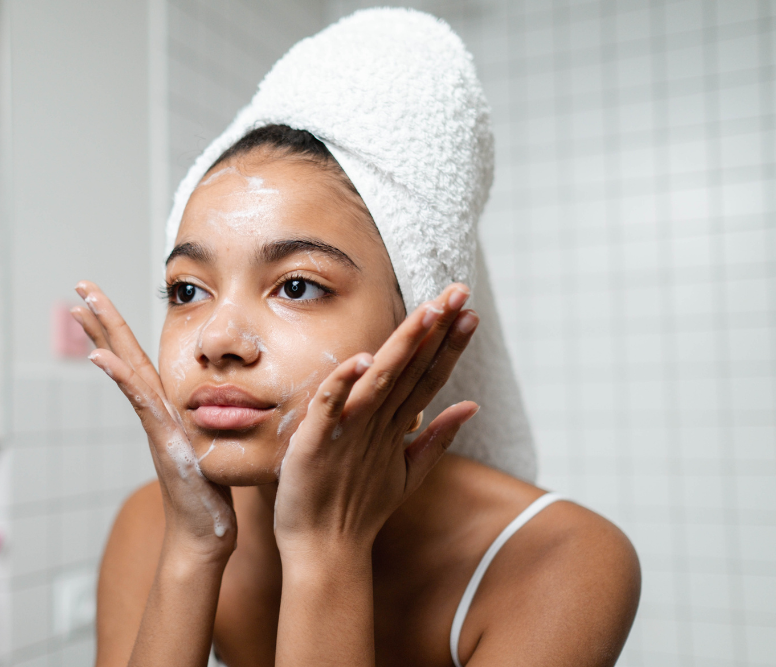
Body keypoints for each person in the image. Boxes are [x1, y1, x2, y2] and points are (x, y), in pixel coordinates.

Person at [72, 10, 640, 667]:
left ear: (419, 330)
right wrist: (194, 548)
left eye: (296, 286)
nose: (217, 338)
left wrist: (325, 549)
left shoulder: (559, 561)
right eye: (187, 290)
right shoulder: (157, 526)